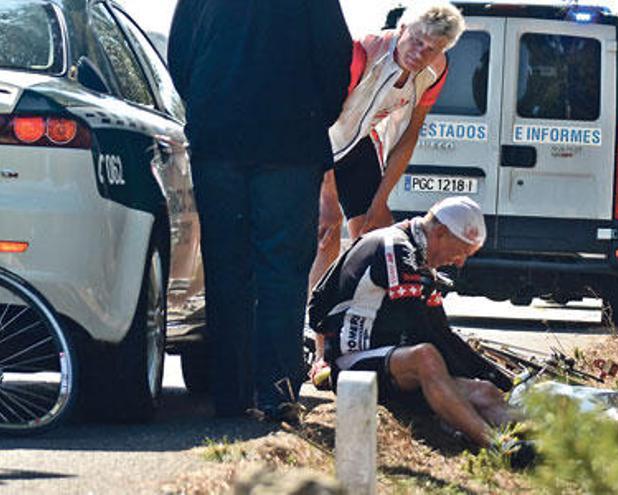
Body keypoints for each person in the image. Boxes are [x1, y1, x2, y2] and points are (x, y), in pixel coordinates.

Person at [167, 1, 352, 420]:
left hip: (219, 139)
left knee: (226, 269)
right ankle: (278, 392)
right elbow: (335, 57)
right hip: (291, 142)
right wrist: (313, 116)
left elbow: (180, 55)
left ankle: (230, 396)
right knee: (283, 273)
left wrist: (205, 104)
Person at [307, 197, 513, 447]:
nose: (460, 262)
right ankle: (498, 446)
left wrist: (502, 381)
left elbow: (441, 331)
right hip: (351, 363)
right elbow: (421, 330)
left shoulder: (419, 252)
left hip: (392, 363)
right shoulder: (395, 248)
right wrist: (323, 354)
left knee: (486, 391)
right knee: (425, 355)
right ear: (440, 232)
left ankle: (547, 439)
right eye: (461, 251)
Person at [307, 2, 466, 293]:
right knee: (328, 230)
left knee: (378, 233)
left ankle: (367, 319)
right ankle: (314, 324)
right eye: (416, 41)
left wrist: (380, 201)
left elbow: (410, 134)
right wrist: (328, 197)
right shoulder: (362, 53)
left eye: (432, 49)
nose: (420, 53)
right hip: (319, 143)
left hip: (359, 143)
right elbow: (318, 124)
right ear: (402, 28)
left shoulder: (436, 69)